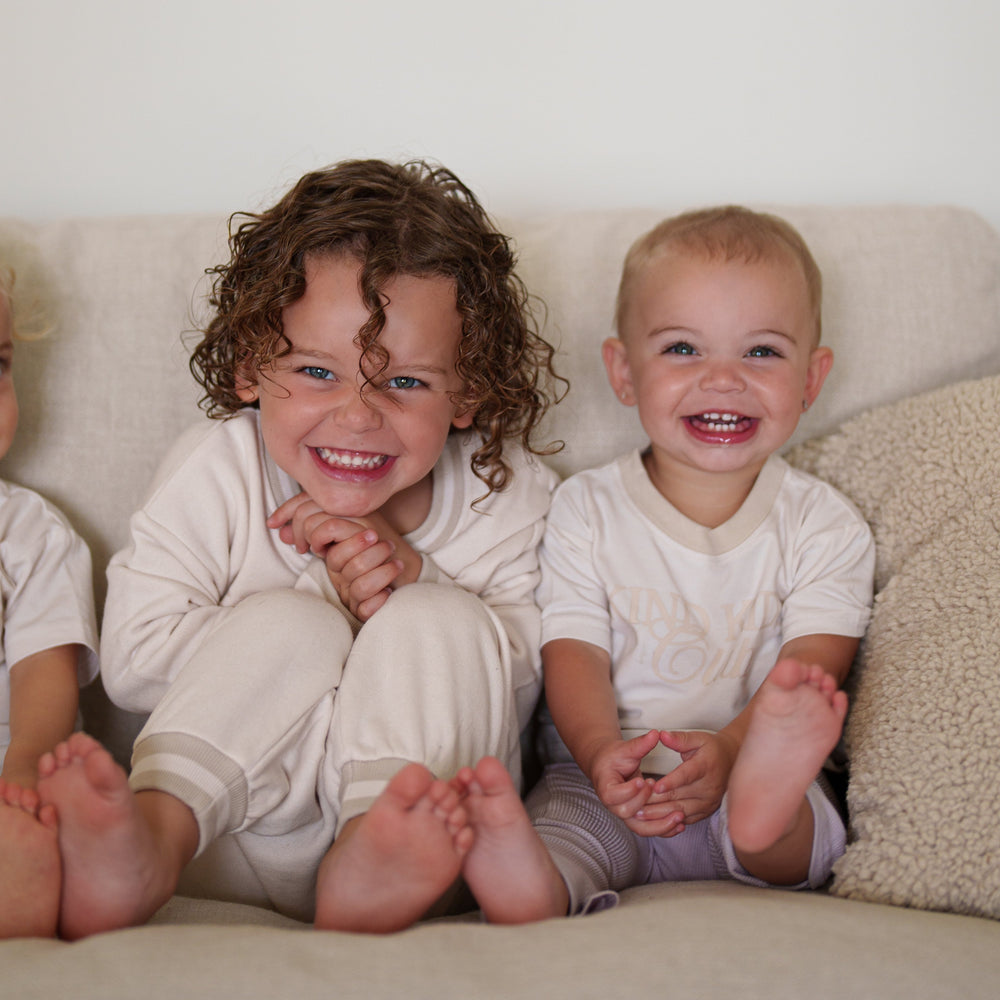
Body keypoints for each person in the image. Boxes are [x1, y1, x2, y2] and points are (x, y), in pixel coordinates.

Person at [36, 159, 562, 939]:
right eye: (318, 371)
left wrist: (411, 576)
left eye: (407, 383)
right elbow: (135, 661)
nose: (357, 416)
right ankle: (151, 842)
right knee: (290, 622)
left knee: (439, 617)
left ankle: (372, 852)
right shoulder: (218, 468)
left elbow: (531, 677)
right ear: (251, 367)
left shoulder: (506, 491)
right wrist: (325, 597)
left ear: (469, 391)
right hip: (228, 832)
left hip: (422, 837)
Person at [450, 205, 876, 922]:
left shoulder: (823, 523)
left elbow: (815, 661)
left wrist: (735, 749)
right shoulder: (587, 508)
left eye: (762, 352)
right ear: (623, 372)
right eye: (683, 348)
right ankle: (529, 880)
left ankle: (763, 816)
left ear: (812, 377)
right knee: (565, 832)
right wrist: (599, 754)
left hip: (749, 770)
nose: (723, 379)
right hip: (606, 785)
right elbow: (574, 651)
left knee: (796, 830)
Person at [0, 265, 99, 938]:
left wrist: (27, 764)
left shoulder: (26, 531)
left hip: (6, 778)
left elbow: (44, 668)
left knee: (34, 837)